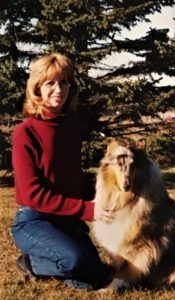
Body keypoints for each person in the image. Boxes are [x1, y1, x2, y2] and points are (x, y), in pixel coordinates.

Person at [11, 53, 114, 290]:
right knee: (77, 260)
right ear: (37, 88)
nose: (59, 89)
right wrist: (87, 210)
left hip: (67, 221)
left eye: (64, 82)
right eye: (50, 83)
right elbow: (32, 194)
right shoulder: (25, 132)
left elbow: (73, 179)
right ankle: (31, 262)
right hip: (34, 220)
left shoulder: (70, 127)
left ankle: (71, 264)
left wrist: (106, 197)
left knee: (90, 279)